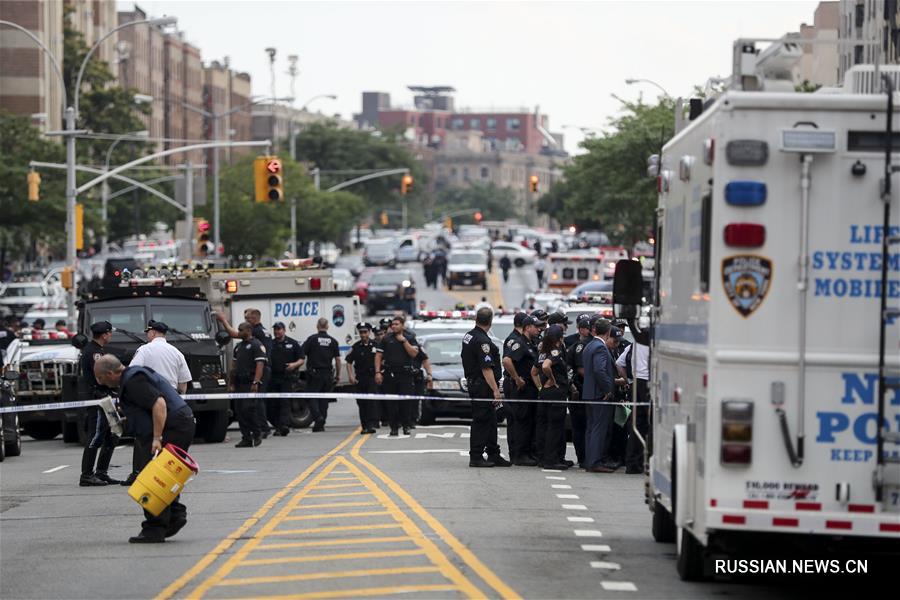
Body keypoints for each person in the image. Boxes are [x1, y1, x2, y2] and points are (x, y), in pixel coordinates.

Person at [93, 354, 195, 543]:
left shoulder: (133, 381)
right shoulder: (132, 377)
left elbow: (159, 404)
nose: (100, 382)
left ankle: (155, 528)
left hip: (172, 426)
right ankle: (173, 516)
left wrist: (157, 438)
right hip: (178, 423)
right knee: (164, 476)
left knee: (152, 479)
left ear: (110, 373)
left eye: (100, 377)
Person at [461, 307, 510, 468]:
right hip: (483, 385)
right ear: (490, 321)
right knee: (481, 420)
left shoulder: (470, 335)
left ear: (476, 319)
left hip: (478, 383)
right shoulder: (482, 341)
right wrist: (496, 390)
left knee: (491, 420)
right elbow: (486, 368)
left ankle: (493, 453)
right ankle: (476, 456)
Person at [78, 321, 120, 486]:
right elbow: (100, 377)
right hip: (99, 399)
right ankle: (87, 475)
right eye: (110, 333)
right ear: (104, 335)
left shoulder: (97, 350)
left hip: (105, 397)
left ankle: (102, 472)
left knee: (113, 435)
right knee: (95, 436)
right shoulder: (94, 352)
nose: (111, 335)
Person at [582, 318, 619, 473]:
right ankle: (594, 461)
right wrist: (607, 390)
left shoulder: (589, 345)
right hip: (599, 394)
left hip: (589, 392)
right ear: (608, 332)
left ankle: (590, 459)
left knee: (591, 428)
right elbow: (599, 370)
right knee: (598, 428)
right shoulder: (600, 348)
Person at [502, 313, 540, 466]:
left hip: (531, 388)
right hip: (521, 389)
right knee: (521, 421)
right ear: (527, 328)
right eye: (535, 327)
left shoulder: (531, 343)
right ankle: (519, 455)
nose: (538, 330)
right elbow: (506, 360)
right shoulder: (520, 343)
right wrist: (517, 378)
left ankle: (527, 452)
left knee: (528, 421)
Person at [532, 324, 570, 470]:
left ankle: (543, 457)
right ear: (560, 338)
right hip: (555, 393)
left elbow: (533, 372)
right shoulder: (555, 351)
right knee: (555, 428)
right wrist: (552, 379)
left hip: (545, 394)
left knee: (543, 426)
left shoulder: (543, 352)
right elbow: (546, 366)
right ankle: (551, 460)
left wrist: (540, 387)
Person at [375, 316, 419, 436]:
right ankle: (393, 427)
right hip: (390, 374)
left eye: (396, 324)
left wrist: (404, 341)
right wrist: (378, 372)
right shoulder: (386, 338)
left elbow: (414, 354)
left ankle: (406, 426)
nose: (393, 326)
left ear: (402, 325)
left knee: (405, 403)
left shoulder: (410, 337)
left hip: (405, 375)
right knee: (391, 403)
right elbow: (378, 355)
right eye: (392, 324)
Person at [229, 322, 266, 447]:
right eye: (238, 330)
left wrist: (256, 382)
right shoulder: (238, 346)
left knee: (248, 409)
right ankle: (246, 437)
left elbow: (260, 365)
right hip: (239, 383)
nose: (238, 332)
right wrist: (232, 383)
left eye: (241, 330)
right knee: (239, 411)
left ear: (249, 330)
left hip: (250, 383)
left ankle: (257, 433)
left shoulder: (256, 345)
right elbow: (233, 367)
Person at [301, 317, 341, 432]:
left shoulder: (312, 339)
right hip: (328, 373)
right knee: (324, 399)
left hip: (314, 373)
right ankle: (320, 424)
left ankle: (318, 417)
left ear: (317, 326)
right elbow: (338, 360)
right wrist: (338, 375)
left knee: (311, 396)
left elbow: (302, 354)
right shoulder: (333, 341)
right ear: (327, 326)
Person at [617, 338, 650, 474]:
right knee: (651, 424)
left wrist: (628, 381)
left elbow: (619, 363)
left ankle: (632, 463)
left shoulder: (634, 344)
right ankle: (646, 461)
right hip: (649, 382)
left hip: (636, 383)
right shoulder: (653, 340)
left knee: (636, 425)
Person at [268, 322, 305, 436]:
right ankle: (278, 425)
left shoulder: (292, 343)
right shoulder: (270, 344)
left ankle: (283, 426)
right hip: (273, 378)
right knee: (273, 403)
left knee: (285, 402)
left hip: (286, 378)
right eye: (275, 330)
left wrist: (294, 365)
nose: (276, 332)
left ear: (284, 330)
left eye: (279, 329)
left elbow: (302, 359)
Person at [566, 314, 593, 468]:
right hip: (580, 388)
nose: (590, 331)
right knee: (580, 426)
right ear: (581, 329)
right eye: (588, 328)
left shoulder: (580, 344)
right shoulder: (579, 345)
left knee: (585, 426)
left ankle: (585, 457)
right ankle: (583, 458)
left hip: (580, 388)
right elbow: (580, 370)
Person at [346, 322, 379, 434]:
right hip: (360, 379)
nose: (363, 334)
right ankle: (364, 425)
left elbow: (382, 359)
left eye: (365, 332)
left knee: (371, 402)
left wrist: (379, 373)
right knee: (362, 403)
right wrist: (351, 376)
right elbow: (348, 362)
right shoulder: (356, 347)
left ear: (369, 332)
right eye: (361, 332)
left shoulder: (375, 345)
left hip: (372, 378)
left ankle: (371, 424)